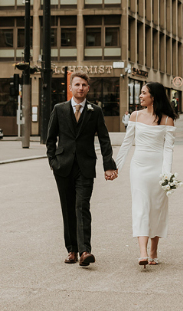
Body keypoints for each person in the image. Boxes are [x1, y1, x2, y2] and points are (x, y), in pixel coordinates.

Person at [46, 72, 118, 267]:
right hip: (63, 167)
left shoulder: (95, 111)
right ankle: (72, 250)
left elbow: (104, 139)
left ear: (88, 88)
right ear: (71, 88)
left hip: (85, 167)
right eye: (77, 84)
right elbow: (50, 138)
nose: (80, 88)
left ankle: (85, 250)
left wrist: (109, 165)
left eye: (84, 85)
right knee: (68, 208)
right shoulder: (59, 109)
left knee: (82, 206)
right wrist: (53, 161)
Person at [114, 81, 176, 267]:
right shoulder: (135, 116)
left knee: (157, 208)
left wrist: (167, 174)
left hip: (158, 169)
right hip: (139, 167)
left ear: (153, 97)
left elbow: (168, 150)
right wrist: (116, 167)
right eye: (140, 93)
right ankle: (142, 253)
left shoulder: (167, 120)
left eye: (143, 93)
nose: (140, 96)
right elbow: (126, 143)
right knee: (141, 206)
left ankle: (153, 251)